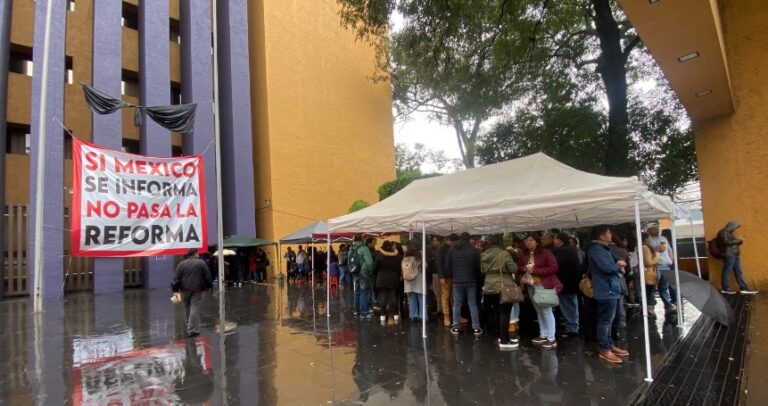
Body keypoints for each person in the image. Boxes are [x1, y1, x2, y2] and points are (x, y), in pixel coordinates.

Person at [585, 225, 629, 364]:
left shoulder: (603, 248)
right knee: (605, 321)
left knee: (609, 320)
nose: (611, 235)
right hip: (606, 290)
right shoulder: (596, 250)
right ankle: (605, 349)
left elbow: (615, 260)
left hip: (611, 289)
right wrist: (619, 266)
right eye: (609, 233)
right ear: (602, 236)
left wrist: (619, 263)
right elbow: (607, 268)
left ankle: (609, 345)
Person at [518, 233, 561, 349]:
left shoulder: (546, 253)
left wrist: (535, 270)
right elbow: (519, 267)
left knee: (546, 310)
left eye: (531, 240)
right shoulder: (524, 254)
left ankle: (551, 338)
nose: (528, 242)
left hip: (543, 284)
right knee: (538, 310)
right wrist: (524, 269)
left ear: (537, 242)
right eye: (526, 240)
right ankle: (543, 334)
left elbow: (553, 268)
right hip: (530, 285)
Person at [480, 234, 519, 349]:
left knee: (497, 311)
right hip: (503, 285)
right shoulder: (504, 254)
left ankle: (500, 335)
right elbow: (514, 269)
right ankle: (504, 340)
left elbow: (482, 270)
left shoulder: (483, 254)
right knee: (505, 313)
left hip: (489, 286)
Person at [447, 232, 482, 336]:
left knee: (457, 304)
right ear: (468, 239)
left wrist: (451, 276)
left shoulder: (452, 249)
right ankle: (476, 328)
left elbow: (448, 265)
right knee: (472, 304)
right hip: (471, 280)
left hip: (457, 280)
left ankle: (456, 327)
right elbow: (478, 267)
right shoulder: (474, 250)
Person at [172, 248, 213, 337]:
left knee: (187, 307)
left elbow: (176, 278)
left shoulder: (181, 264)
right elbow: (207, 276)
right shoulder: (201, 263)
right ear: (196, 253)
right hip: (197, 289)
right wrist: (209, 286)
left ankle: (194, 329)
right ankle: (191, 329)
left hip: (184, 289)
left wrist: (175, 290)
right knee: (194, 307)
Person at [717, 220, 757, 294]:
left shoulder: (729, 233)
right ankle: (725, 288)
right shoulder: (723, 232)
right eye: (735, 227)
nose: (735, 229)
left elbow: (733, 244)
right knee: (727, 271)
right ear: (731, 226)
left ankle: (744, 288)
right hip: (729, 254)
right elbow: (726, 242)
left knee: (738, 272)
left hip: (734, 254)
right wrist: (738, 240)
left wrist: (740, 241)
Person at [553, 233, 581, 338]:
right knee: (571, 305)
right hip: (571, 283)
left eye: (555, 239)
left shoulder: (563, 251)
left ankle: (572, 328)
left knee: (568, 306)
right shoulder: (572, 250)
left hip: (565, 283)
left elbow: (556, 266)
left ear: (559, 240)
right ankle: (572, 326)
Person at [647, 223, 676, 312]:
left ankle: (667, 304)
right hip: (655, 266)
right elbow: (649, 253)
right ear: (649, 231)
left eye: (657, 229)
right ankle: (651, 304)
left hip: (665, 265)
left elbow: (669, 250)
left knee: (663, 286)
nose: (657, 230)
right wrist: (657, 250)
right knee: (652, 286)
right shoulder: (648, 241)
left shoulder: (663, 238)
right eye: (654, 229)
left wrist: (671, 260)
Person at [374, 240, 403, 323]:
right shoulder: (396, 256)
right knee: (393, 297)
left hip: (382, 279)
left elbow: (374, 268)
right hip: (393, 279)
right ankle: (395, 315)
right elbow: (398, 268)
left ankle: (382, 315)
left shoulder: (379, 256)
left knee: (383, 297)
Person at [436, 233, 458, 327]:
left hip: (453, 275)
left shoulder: (451, 248)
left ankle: (455, 316)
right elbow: (438, 262)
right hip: (445, 276)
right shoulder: (441, 249)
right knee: (446, 296)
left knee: (454, 297)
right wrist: (441, 276)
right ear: (451, 241)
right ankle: (446, 316)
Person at [403, 240, 428, 321]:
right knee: (421, 297)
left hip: (409, 278)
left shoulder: (406, 254)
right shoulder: (421, 253)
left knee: (412, 297)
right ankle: (422, 316)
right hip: (419, 277)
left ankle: (413, 315)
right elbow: (425, 265)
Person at [352, 236, 376, 318]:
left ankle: (356, 311)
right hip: (364, 272)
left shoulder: (351, 248)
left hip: (355, 272)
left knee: (357, 292)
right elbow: (369, 262)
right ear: (362, 240)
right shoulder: (364, 248)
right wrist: (370, 271)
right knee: (364, 292)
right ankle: (364, 312)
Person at [641, 232, 661, 319]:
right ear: (646, 239)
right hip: (648, 274)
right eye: (650, 238)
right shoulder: (645, 248)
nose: (651, 240)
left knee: (649, 291)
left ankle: (649, 307)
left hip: (648, 274)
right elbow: (648, 262)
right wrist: (657, 257)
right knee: (649, 292)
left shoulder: (644, 248)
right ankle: (649, 309)